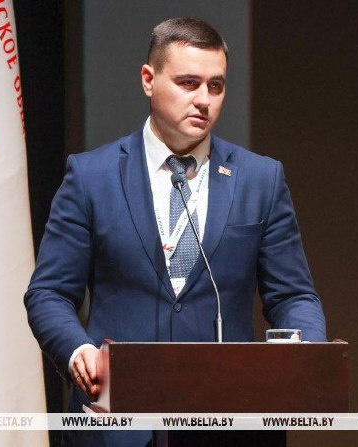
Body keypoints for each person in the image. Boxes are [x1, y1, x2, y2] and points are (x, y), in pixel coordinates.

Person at [25, 17, 326, 446]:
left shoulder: (260, 179)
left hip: (228, 425)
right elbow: (49, 293)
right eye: (188, 83)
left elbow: (294, 295)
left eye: (216, 86)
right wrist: (79, 352)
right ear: (149, 80)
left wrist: (305, 352)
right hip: (115, 425)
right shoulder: (91, 176)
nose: (204, 100)